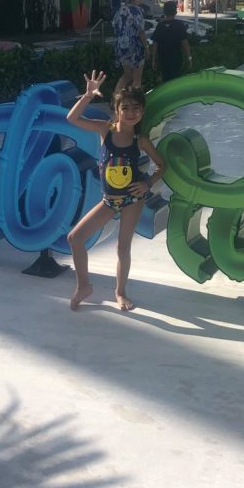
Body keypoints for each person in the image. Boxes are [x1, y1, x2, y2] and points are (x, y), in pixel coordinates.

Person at [66, 72, 166, 312]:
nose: (132, 113)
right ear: (117, 109)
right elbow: (72, 118)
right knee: (75, 238)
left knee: (123, 248)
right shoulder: (105, 131)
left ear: (142, 112)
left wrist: (147, 183)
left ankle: (120, 293)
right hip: (109, 200)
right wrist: (88, 95)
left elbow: (162, 165)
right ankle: (83, 286)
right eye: (126, 108)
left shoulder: (140, 140)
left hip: (132, 199)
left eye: (137, 108)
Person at [112, 0, 149, 89]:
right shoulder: (138, 10)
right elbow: (141, 31)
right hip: (135, 47)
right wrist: (146, 47)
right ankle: (137, 102)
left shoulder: (121, 10)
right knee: (137, 78)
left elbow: (115, 26)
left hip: (122, 46)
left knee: (127, 75)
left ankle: (116, 98)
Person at [151, 0, 192, 82]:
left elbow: (155, 44)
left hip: (162, 58)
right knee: (175, 80)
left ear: (164, 12)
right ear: (175, 12)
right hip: (176, 58)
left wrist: (153, 59)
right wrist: (189, 58)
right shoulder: (179, 25)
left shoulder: (160, 25)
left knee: (165, 79)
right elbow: (185, 43)